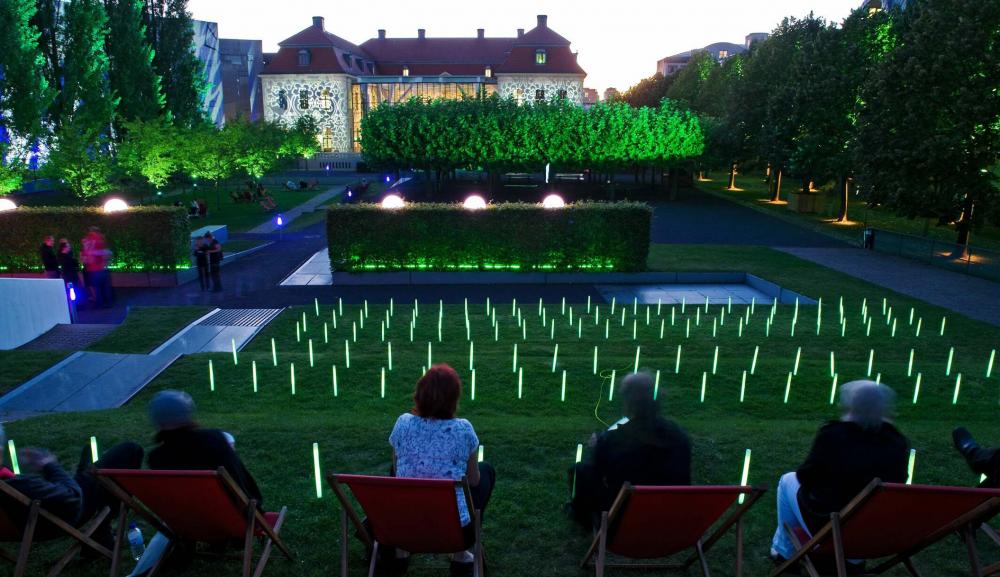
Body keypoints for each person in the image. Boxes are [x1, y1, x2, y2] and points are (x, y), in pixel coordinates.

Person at [771, 380, 908, 572]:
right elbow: (899, 483)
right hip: (877, 532)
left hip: (833, 527)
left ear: (851, 406)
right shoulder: (897, 442)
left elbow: (805, 477)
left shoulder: (834, 435)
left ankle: (784, 552)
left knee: (787, 481)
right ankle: (852, 559)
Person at [388, 364, 495, 574]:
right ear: (454, 398)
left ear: (419, 394)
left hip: (404, 524)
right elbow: (473, 480)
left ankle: (401, 551)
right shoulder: (463, 429)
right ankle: (460, 554)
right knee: (485, 473)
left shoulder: (402, 423)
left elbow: (396, 467)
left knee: (397, 474)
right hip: (454, 530)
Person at [567, 371, 691, 526]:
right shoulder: (679, 435)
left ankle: (582, 518)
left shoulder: (615, 438)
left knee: (581, 470)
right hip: (669, 520)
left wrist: (597, 446)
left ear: (628, 401)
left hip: (622, 520)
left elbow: (598, 471)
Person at [0, 424, 143, 547]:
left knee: (88, 471)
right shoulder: (15, 484)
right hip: (59, 517)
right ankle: (101, 532)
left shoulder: (10, 482)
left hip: (23, 525)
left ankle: (86, 471)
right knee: (130, 450)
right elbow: (73, 497)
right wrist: (49, 465)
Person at [81, 227, 112, 307]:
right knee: (105, 287)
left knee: (97, 288)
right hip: (102, 268)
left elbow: (85, 255)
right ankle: (108, 303)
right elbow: (107, 252)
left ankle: (99, 304)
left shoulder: (87, 240)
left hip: (93, 269)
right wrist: (106, 263)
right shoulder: (101, 239)